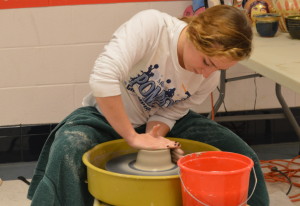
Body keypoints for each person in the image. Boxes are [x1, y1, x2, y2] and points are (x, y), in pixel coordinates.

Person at [28, 5, 269, 206]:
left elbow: (172, 110)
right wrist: (133, 137)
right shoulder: (152, 28)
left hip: (163, 123)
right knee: (68, 146)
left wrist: (154, 136)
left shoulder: (209, 76)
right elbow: (102, 79)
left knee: (239, 153)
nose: (207, 74)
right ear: (194, 33)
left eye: (218, 68)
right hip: (106, 116)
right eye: (207, 62)